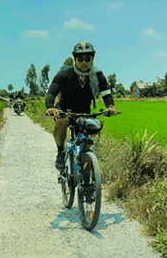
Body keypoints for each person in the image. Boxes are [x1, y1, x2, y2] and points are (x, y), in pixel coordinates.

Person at [44, 42, 117, 170]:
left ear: (92, 60)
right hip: (65, 111)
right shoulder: (64, 74)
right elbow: (52, 92)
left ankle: (86, 178)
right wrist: (50, 107)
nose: (84, 62)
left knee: (86, 147)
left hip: (85, 113)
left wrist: (110, 106)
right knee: (61, 121)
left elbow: (106, 94)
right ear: (75, 60)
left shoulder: (98, 76)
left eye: (87, 59)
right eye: (80, 59)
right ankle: (60, 152)